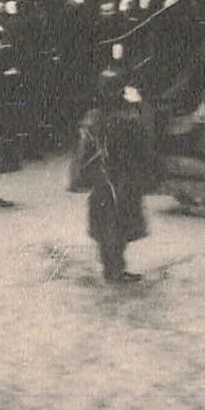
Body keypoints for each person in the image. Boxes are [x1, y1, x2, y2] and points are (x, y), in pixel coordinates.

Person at [70, 70, 161, 283]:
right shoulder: (126, 118)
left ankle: (112, 267)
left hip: (104, 181)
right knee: (117, 225)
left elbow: (82, 152)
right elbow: (143, 144)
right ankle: (115, 269)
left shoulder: (93, 117)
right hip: (120, 180)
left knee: (107, 226)